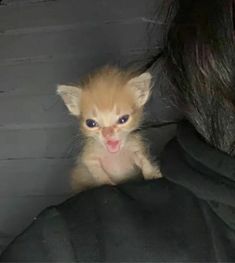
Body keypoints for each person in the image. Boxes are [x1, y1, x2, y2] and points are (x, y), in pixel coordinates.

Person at [1, 0, 235, 261]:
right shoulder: (67, 238)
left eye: (121, 119)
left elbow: (141, 159)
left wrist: (148, 173)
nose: (108, 133)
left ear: (141, 95)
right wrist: (109, 195)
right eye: (93, 124)